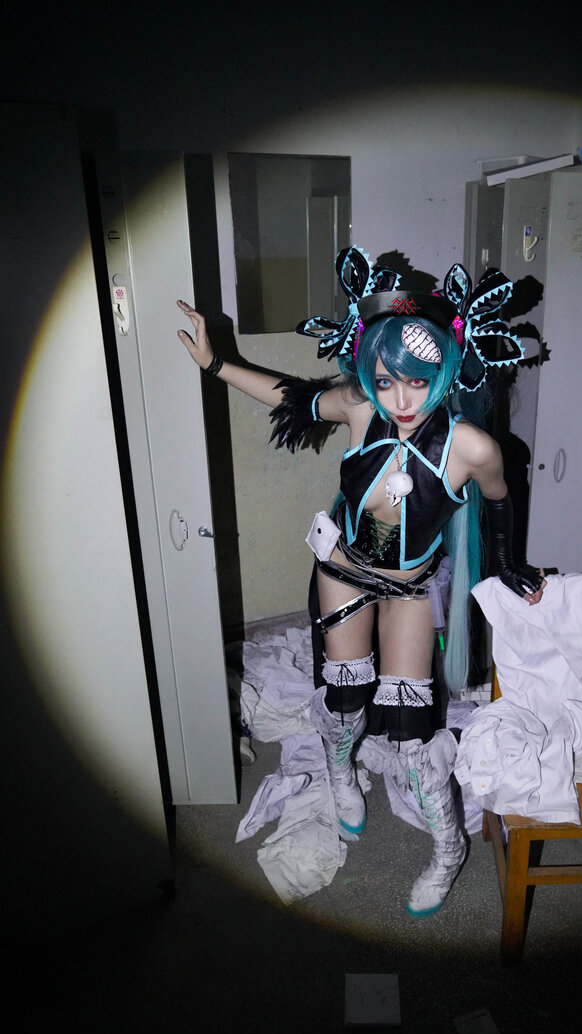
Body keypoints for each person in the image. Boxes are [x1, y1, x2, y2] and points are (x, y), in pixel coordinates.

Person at [177, 248, 545, 918]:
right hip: (342, 570)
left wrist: (508, 563)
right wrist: (215, 363)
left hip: (410, 587)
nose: (401, 400)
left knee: (411, 731)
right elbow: (291, 395)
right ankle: (340, 772)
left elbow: (498, 501)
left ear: (445, 370)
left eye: (418, 382)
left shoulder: (472, 446)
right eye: (385, 381)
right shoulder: (359, 407)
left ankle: (448, 850)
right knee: (344, 702)